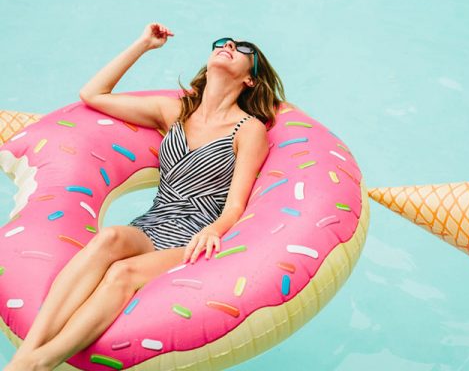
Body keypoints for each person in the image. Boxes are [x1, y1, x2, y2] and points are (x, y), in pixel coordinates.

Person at [4, 22, 289, 371]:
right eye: (225, 42)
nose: (229, 45)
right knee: (110, 237)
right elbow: (93, 94)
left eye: (242, 49)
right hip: (154, 222)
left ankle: (38, 363)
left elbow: (236, 204)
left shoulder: (249, 129)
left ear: (250, 80)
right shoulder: (176, 112)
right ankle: (28, 354)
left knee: (122, 273)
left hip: (194, 236)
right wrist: (143, 45)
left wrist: (214, 230)